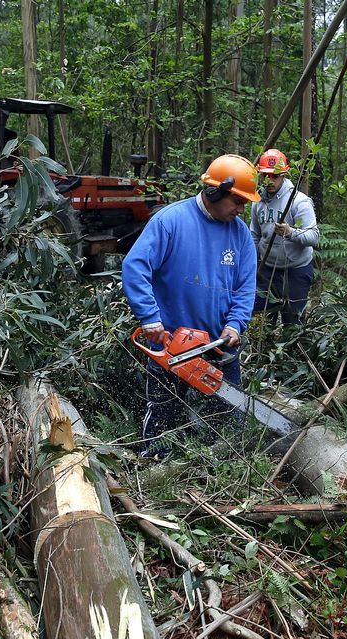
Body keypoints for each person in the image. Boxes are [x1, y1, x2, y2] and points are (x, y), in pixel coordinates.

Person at [122, 154, 260, 456]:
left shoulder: (241, 235)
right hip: (171, 341)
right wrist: (149, 318)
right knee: (163, 413)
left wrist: (235, 325)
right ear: (215, 191)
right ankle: (154, 465)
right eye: (237, 202)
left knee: (227, 419)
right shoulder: (171, 221)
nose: (240, 210)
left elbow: (245, 286)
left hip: (218, 346)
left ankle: (220, 469)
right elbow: (135, 267)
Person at [250, 149, 320, 325]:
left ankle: (295, 352)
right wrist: (252, 264)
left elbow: (313, 236)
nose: (270, 180)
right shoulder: (257, 202)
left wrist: (291, 232)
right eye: (266, 175)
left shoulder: (299, 201)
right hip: (266, 270)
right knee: (263, 322)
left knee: (293, 323)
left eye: (275, 176)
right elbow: (255, 236)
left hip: (296, 270)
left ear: (284, 175)